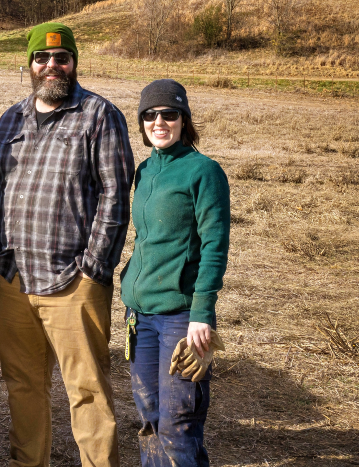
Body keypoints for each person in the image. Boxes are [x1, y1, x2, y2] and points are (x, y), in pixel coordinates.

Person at [0, 22, 135, 467]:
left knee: (87, 389)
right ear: (29, 65)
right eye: (42, 58)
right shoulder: (12, 118)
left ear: (74, 63)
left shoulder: (99, 115)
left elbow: (115, 193)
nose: (52, 66)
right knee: (22, 384)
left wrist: (94, 267)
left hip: (74, 280)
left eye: (61, 57)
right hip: (13, 279)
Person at [120, 79, 230, 467]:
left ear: (184, 120)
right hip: (140, 316)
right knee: (149, 419)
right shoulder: (145, 171)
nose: (159, 122)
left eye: (169, 114)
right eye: (150, 115)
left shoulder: (204, 172)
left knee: (178, 425)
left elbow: (215, 245)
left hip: (180, 319)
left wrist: (202, 313)